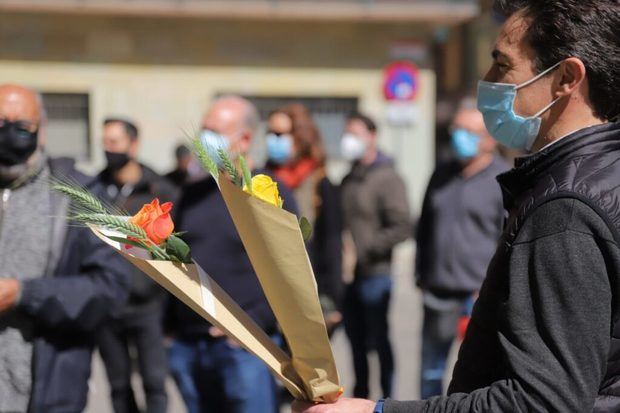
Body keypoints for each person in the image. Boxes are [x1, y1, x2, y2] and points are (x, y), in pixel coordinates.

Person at [293, 0, 620, 411]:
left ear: (566, 78)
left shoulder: (566, 209)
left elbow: (542, 401)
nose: (487, 80)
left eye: (502, 65)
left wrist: (377, 410)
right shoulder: (603, 174)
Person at [0, 84, 128, 413]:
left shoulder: (77, 193)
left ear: (41, 131)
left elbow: (109, 288)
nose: (9, 132)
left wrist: (24, 294)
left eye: (21, 126)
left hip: (45, 387)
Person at [166, 95, 298, 413]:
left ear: (246, 138)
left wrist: (254, 325)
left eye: (215, 130)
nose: (204, 138)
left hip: (244, 348)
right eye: (203, 129)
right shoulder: (191, 193)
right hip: (190, 345)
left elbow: (293, 273)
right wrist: (169, 330)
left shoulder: (268, 193)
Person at [415, 97, 509, 398]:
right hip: (438, 291)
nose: (459, 137)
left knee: (477, 377)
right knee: (430, 370)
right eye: (457, 129)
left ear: (489, 140)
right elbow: (424, 227)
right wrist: (421, 273)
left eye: (469, 131)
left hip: (479, 297)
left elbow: (509, 239)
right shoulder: (441, 174)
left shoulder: (504, 179)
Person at [96, 117, 177, 413]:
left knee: (154, 382)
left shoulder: (159, 190)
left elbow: (175, 250)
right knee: (118, 386)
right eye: (105, 142)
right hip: (108, 305)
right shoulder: (96, 189)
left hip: (148, 306)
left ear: (133, 144)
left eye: (114, 142)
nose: (108, 149)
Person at [339, 112, 411, 400]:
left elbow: (403, 226)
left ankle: (387, 398)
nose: (349, 140)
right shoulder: (349, 178)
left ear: (372, 136)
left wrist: (368, 249)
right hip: (349, 276)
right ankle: (361, 397)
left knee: (379, 340)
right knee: (355, 341)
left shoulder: (387, 177)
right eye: (347, 133)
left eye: (355, 133)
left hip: (375, 274)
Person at [265, 104, 343, 334]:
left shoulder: (319, 182)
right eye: (269, 133)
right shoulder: (260, 179)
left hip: (308, 293)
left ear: (300, 137)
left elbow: (331, 242)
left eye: (279, 134)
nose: (272, 139)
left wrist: (330, 300)